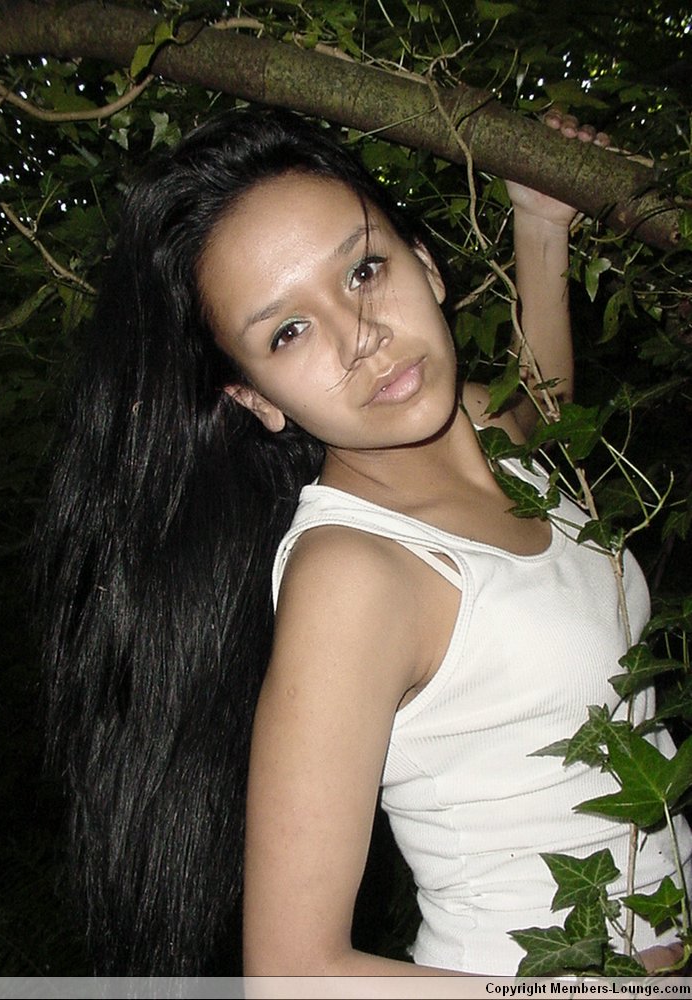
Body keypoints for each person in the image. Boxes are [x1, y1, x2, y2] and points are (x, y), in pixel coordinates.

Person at [38, 106, 690, 981]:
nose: (362, 338)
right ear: (255, 399)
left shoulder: (479, 424)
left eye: (364, 269)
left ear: (426, 263)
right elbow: (293, 976)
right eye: (288, 332)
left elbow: (543, 412)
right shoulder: (351, 575)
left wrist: (540, 227)